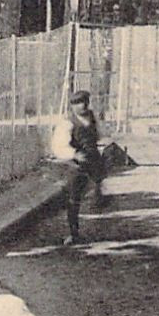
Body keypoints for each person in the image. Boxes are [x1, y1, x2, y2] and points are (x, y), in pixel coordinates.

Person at [62, 91, 108, 246]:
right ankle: (73, 234)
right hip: (78, 164)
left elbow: (100, 135)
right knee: (73, 198)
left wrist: (99, 149)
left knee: (100, 188)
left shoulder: (93, 118)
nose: (82, 105)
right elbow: (59, 144)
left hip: (94, 159)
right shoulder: (68, 122)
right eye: (78, 103)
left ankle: (99, 198)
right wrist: (74, 154)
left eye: (84, 102)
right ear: (73, 106)